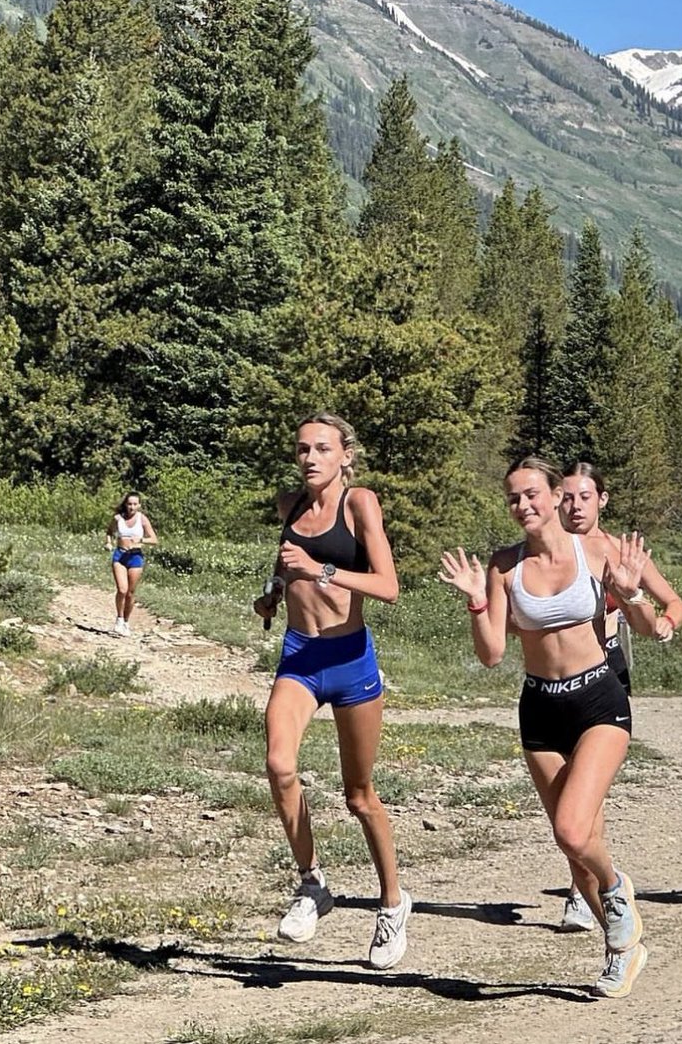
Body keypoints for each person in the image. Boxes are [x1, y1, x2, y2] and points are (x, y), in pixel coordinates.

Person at [439, 456, 652, 999]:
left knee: (572, 831)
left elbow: (642, 610)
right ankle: (621, 950)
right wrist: (476, 600)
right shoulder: (505, 566)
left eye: (532, 493)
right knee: (577, 852)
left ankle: (616, 889)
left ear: (558, 495)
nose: (523, 506)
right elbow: (491, 654)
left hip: (599, 700)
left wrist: (629, 592)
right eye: (513, 498)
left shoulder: (594, 549)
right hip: (539, 707)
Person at [252, 413, 410, 969]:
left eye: (322, 449)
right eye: (302, 450)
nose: (310, 458)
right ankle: (312, 882)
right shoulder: (288, 506)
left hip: (350, 659)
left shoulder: (359, 503)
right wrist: (273, 592)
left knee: (359, 795)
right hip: (301, 654)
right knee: (278, 764)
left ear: (346, 454)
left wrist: (320, 572)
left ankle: (392, 903)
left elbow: (387, 587)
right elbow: (284, 561)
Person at [556, 460, 682, 932]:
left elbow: (674, 603)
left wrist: (663, 623)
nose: (574, 506)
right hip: (555, 680)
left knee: (586, 790)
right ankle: (585, 880)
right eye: (566, 497)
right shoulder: (545, 550)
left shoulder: (619, 550)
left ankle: (581, 888)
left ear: (602, 500)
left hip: (607, 673)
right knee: (566, 793)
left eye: (584, 497)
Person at [104, 491, 157, 636]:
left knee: (130, 592)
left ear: (139, 505)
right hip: (120, 555)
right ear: (125, 504)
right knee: (122, 589)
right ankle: (119, 619)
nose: (132, 507)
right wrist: (108, 543)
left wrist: (140, 540)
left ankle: (126, 622)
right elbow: (109, 532)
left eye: (135, 504)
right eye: (129, 504)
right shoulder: (118, 518)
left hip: (135, 557)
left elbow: (154, 539)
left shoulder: (142, 519)